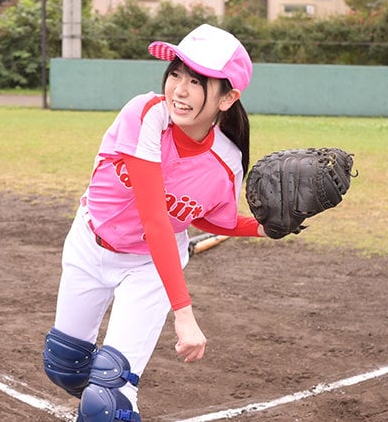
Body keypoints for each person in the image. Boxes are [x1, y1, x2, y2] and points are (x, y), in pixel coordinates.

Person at [42, 23, 266, 421]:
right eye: (176, 73)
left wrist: (262, 227)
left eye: (197, 81)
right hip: (89, 243)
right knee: (64, 366)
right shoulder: (145, 114)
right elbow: (155, 218)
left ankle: (116, 401)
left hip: (148, 269)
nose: (179, 89)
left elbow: (212, 218)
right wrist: (185, 315)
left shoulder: (227, 162)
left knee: (106, 400)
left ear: (228, 97)